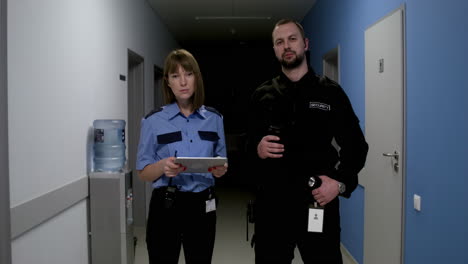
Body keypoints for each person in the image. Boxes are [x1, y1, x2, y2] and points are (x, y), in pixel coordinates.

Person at [247, 19, 369, 264]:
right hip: (273, 206)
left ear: (305, 44)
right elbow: (246, 149)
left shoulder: (330, 92)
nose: (286, 46)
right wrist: (257, 149)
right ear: (274, 50)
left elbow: (356, 146)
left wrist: (340, 183)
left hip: (318, 201)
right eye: (279, 42)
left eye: (292, 39)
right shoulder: (262, 95)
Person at [136, 49, 228, 264]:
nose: (183, 82)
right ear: (168, 82)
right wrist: (162, 166)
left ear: (197, 78)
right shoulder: (153, 120)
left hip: (203, 204)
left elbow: (221, 163)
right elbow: (143, 173)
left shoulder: (214, 119)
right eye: (175, 76)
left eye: (188, 74)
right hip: (167, 203)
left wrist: (221, 170)